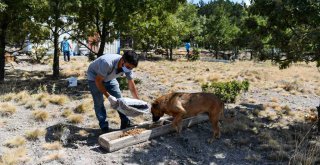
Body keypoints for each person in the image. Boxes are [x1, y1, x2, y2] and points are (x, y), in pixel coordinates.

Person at [87, 50, 140, 133]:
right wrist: (109, 96)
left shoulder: (128, 66)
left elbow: (131, 84)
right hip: (94, 78)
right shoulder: (107, 63)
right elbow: (98, 81)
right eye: (128, 67)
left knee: (119, 99)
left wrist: (138, 101)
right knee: (99, 102)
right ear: (122, 60)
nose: (129, 69)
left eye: (131, 68)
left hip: (109, 77)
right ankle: (104, 126)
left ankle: (125, 121)